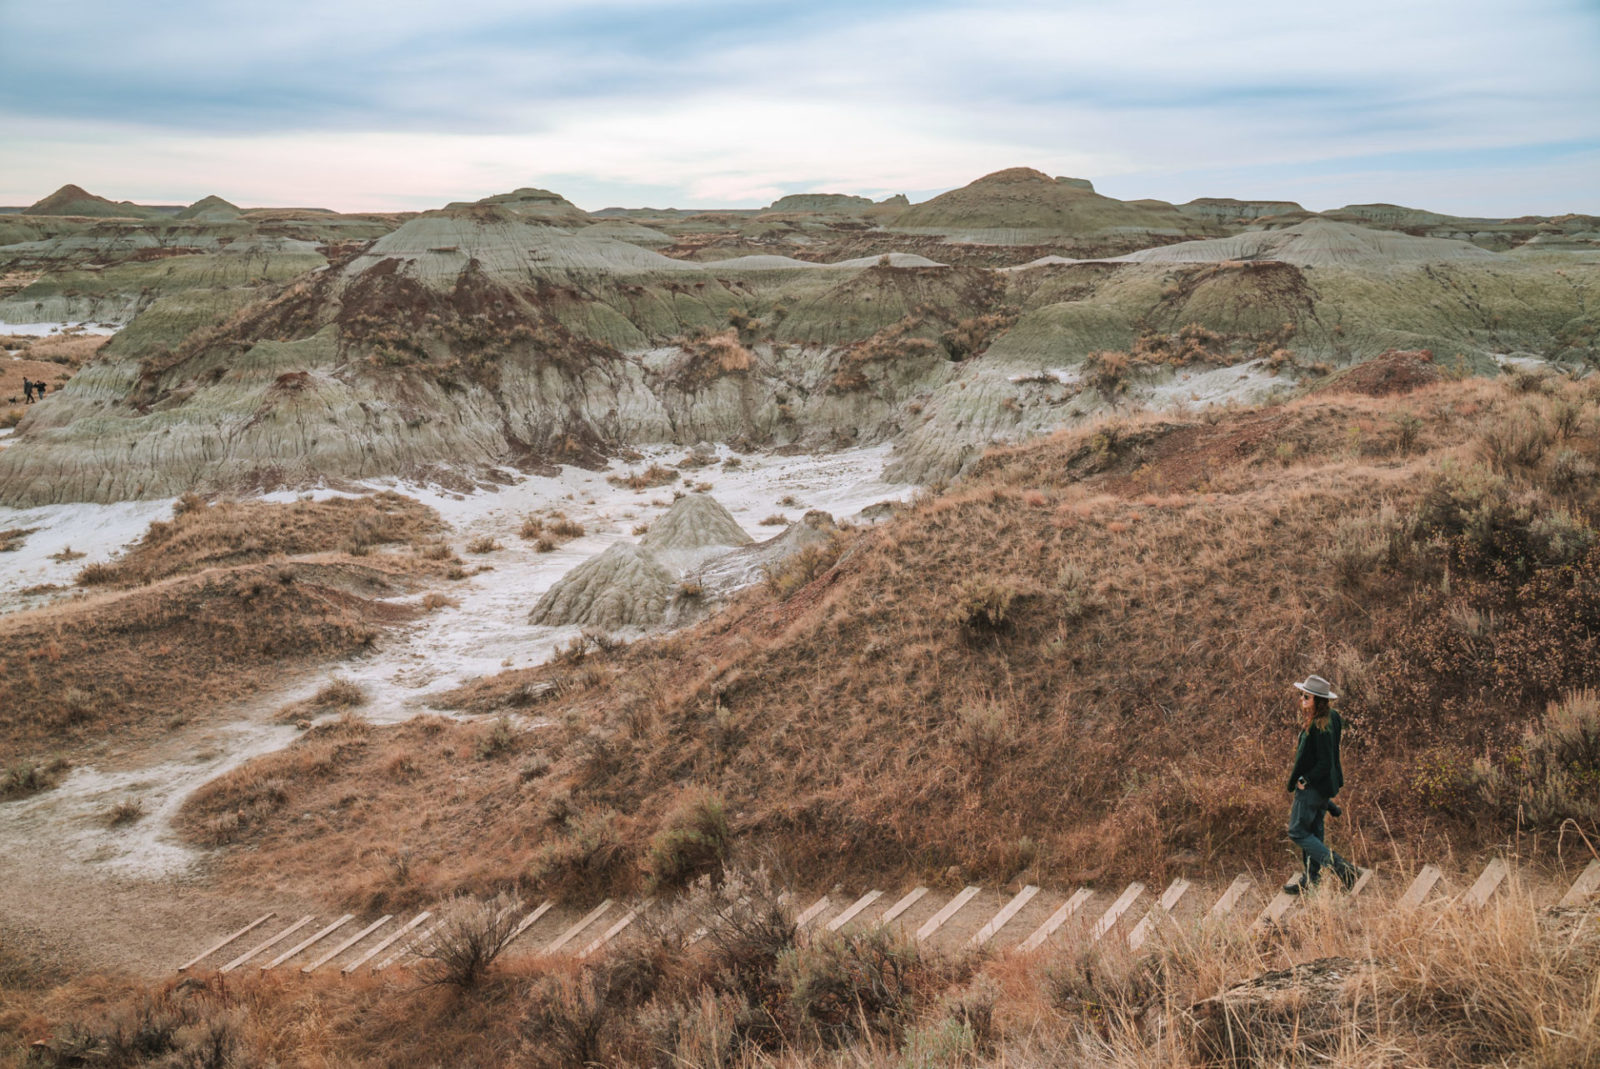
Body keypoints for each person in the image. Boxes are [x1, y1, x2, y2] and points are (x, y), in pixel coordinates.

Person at [1283, 674, 1358, 894]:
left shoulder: (1320, 725)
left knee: (1297, 831)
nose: (1302, 699)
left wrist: (1305, 780)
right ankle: (1311, 880)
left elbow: (1325, 762)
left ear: (1318, 699)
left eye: (1306, 696)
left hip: (1312, 789)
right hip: (1323, 788)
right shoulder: (1332, 717)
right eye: (1302, 695)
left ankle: (1343, 868)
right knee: (1313, 833)